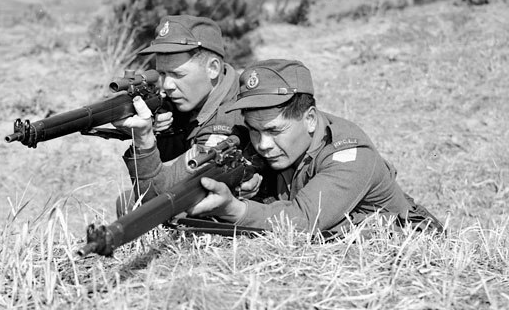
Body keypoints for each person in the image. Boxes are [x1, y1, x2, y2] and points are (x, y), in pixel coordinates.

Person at [188, 58, 444, 236]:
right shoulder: (283, 139)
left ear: (309, 119)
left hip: (400, 249)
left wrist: (235, 209)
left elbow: (304, 221)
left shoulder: (350, 154)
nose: (263, 144)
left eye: (275, 131)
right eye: (255, 130)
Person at [114, 14, 262, 207]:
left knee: (129, 204)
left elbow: (156, 199)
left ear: (213, 68)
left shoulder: (225, 126)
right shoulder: (205, 93)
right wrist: (158, 127)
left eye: (177, 74)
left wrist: (144, 139)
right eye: (163, 74)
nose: (167, 85)